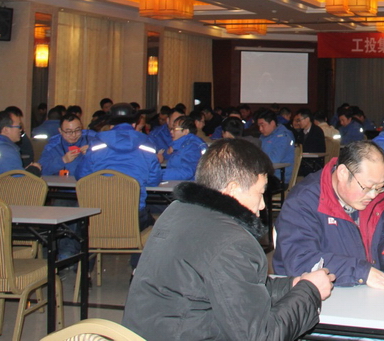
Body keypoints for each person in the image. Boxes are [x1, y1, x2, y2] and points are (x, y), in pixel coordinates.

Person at [123, 139, 333, 341]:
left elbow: (237, 287)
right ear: (233, 190)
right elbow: (262, 336)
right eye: (260, 193)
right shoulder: (232, 242)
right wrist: (310, 292)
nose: (262, 205)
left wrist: (292, 285)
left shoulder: (177, 211)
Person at [272, 141, 384, 289]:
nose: (373, 194)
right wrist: (362, 272)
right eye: (367, 187)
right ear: (343, 173)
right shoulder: (304, 201)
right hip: (326, 292)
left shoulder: (377, 199)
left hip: (365, 286)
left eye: (380, 187)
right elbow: (300, 261)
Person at [76, 103, 162, 215]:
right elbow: (154, 181)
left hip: (99, 213)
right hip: (133, 213)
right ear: (134, 124)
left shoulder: (95, 145)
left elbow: (81, 176)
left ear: (110, 125)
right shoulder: (147, 145)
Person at [0, 110, 40, 177]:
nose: (21, 130)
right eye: (19, 127)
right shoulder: (6, 151)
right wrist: (34, 170)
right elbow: (16, 181)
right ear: (6, 130)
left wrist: (24, 171)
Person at [161, 115, 207, 181]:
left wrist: (159, 175)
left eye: (174, 129)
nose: (171, 131)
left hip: (189, 184)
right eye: (171, 129)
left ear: (186, 131)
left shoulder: (193, 147)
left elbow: (187, 171)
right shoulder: (181, 145)